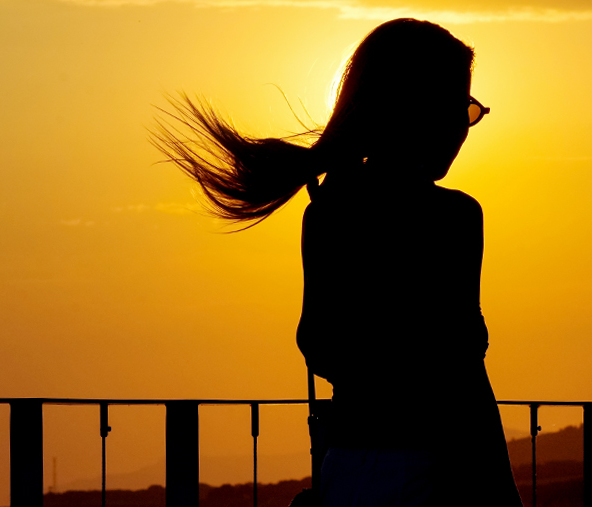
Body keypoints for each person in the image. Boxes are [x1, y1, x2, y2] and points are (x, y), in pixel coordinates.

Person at [152, 18, 522, 507]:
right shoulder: (452, 217)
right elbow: (464, 374)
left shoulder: (327, 212)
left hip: (345, 464)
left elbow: (319, 344)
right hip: (431, 467)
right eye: (463, 108)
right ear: (420, 109)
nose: (464, 127)